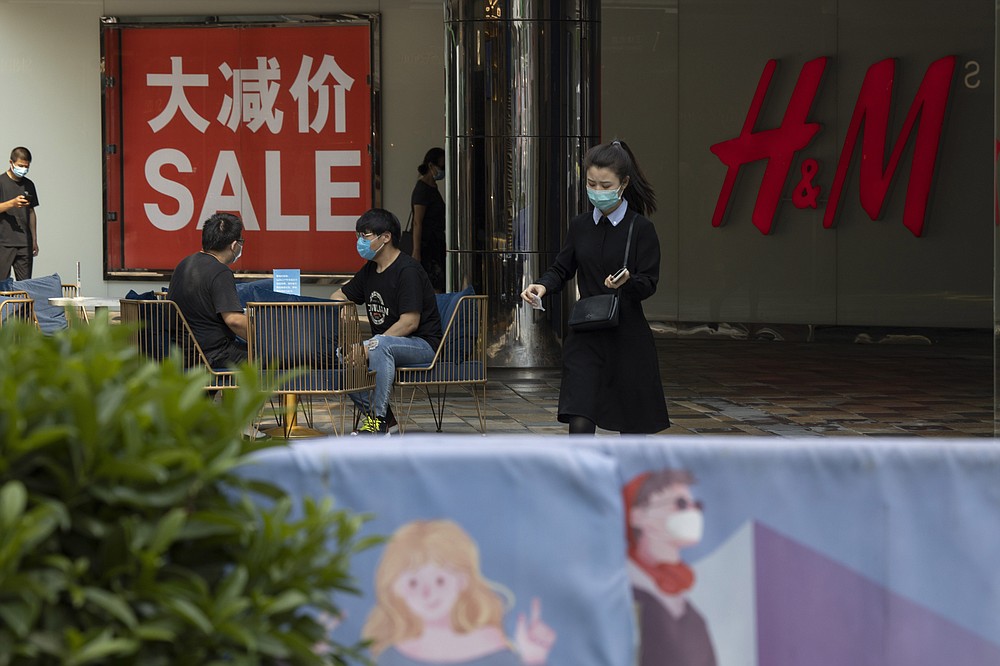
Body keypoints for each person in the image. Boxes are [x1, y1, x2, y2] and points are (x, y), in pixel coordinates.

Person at [520, 140, 670, 435]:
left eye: (605, 185)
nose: (597, 192)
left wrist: (628, 282)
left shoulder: (640, 229)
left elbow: (649, 282)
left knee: (632, 428)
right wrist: (541, 286)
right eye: (591, 184)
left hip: (627, 337)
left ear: (623, 183)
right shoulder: (580, 225)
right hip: (586, 332)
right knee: (580, 414)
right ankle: (581, 480)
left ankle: (624, 480)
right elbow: (562, 268)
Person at [362, 519, 557, 666]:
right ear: (396, 589)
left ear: (462, 581)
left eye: (440, 581)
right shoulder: (392, 656)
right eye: (413, 583)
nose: (427, 593)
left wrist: (533, 659)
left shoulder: (494, 647)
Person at [330, 208, 442, 435]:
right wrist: (342, 308)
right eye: (358, 235)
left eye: (366, 235)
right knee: (343, 354)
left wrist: (369, 345)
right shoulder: (370, 270)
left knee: (379, 346)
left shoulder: (407, 270)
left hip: (422, 345)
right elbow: (338, 295)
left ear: (386, 237)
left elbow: (410, 322)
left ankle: (379, 422)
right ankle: (383, 419)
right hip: (386, 344)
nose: (360, 241)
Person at [624, 470, 716, 666]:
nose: (692, 512)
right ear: (638, 515)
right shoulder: (622, 593)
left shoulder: (693, 617)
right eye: (681, 504)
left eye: (696, 505)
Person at [167, 211, 249, 368]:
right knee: (277, 359)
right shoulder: (221, 272)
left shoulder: (184, 264)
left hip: (183, 353)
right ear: (234, 245)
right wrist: (267, 339)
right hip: (212, 354)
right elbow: (234, 321)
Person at [409, 147, 447, 292]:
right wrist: (416, 250)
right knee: (433, 285)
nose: (443, 170)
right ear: (431, 166)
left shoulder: (432, 187)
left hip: (435, 243)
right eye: (442, 166)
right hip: (427, 246)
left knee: (438, 283)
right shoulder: (422, 189)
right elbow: (417, 221)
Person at [0, 147, 39, 279]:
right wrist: (12, 203)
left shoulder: (29, 185)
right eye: (20, 166)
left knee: (25, 285)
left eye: (26, 167)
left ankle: (22, 301)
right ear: (11, 162)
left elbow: (32, 212)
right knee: (2, 285)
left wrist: (34, 238)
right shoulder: (1, 182)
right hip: (3, 242)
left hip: (24, 242)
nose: (23, 169)